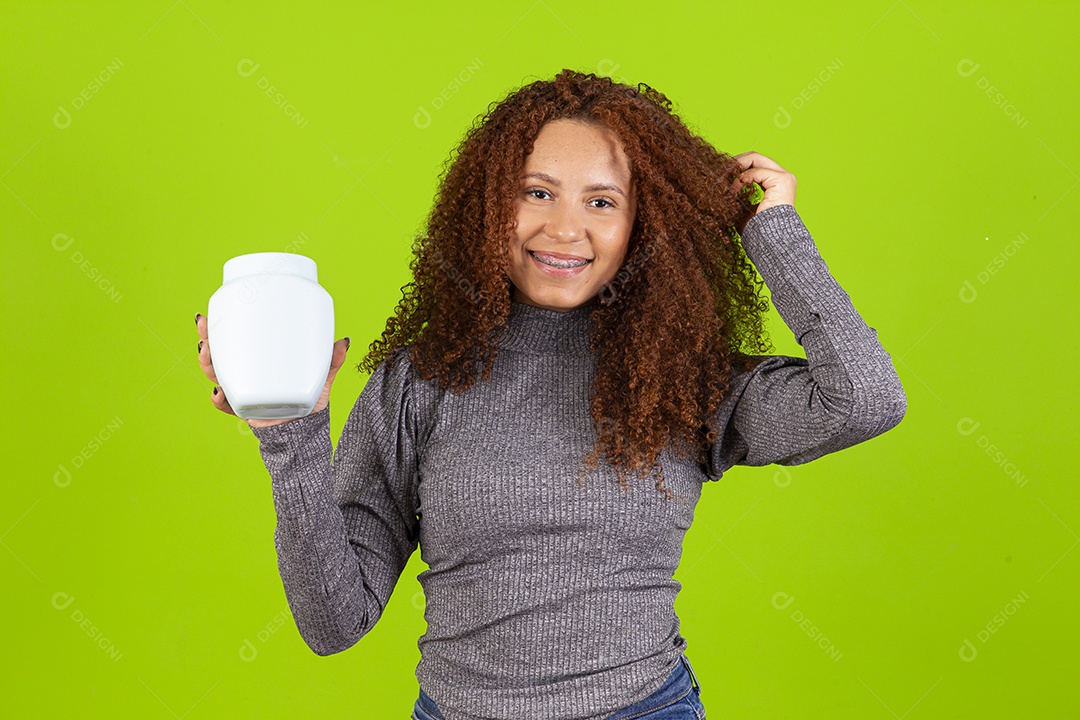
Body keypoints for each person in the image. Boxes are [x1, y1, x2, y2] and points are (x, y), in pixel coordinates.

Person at [195, 69, 906, 720]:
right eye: (537, 192)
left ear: (642, 224)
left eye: (602, 201)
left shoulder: (684, 377)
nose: (565, 229)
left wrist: (770, 232)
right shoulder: (421, 380)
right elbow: (333, 624)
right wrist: (288, 431)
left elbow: (866, 400)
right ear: (489, 205)